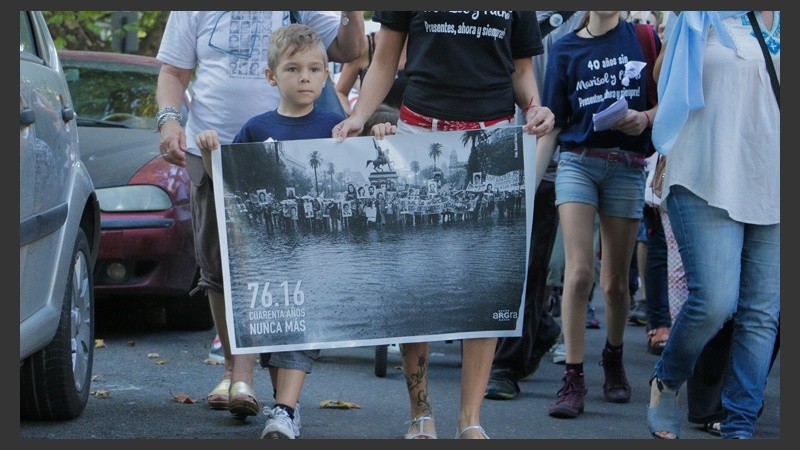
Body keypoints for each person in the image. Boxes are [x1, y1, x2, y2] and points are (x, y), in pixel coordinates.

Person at [333, 11, 555, 439]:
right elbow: (384, 59)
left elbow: (522, 69)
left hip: (493, 139)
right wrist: (360, 115)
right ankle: (421, 414)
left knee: (484, 286)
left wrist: (534, 107)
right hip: (417, 134)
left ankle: (470, 419)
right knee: (415, 285)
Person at [155, 9, 363, 435]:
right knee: (218, 267)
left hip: (289, 157)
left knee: (285, 273)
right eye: (293, 69)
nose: (305, 75)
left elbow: (351, 49)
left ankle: (276, 395)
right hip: (211, 149)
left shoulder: (326, 115)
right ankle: (236, 370)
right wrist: (169, 120)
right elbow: (174, 71)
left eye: (312, 70)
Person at [646, 10, 779, 440]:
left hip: (772, 179)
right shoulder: (704, 12)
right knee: (716, 301)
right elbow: (663, 79)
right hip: (705, 171)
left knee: (761, 315)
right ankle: (667, 379)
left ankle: (739, 424)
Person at [533, 10, 660, 419]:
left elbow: (666, 103)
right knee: (579, 272)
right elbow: (553, 121)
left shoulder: (642, 38)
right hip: (577, 162)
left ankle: (613, 356)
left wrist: (643, 119)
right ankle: (573, 377)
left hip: (626, 165)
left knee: (616, 286)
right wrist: (528, 186)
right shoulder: (565, 47)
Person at [485, 10, 585, 402]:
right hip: (499, 145)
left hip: (551, 162)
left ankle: (506, 365)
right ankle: (539, 328)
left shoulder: (581, 21)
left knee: (528, 266)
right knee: (493, 260)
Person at [335, 31, 408, 115]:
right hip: (371, 122)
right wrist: (351, 117)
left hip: (409, 124)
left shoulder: (422, 47)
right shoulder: (365, 47)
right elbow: (340, 92)